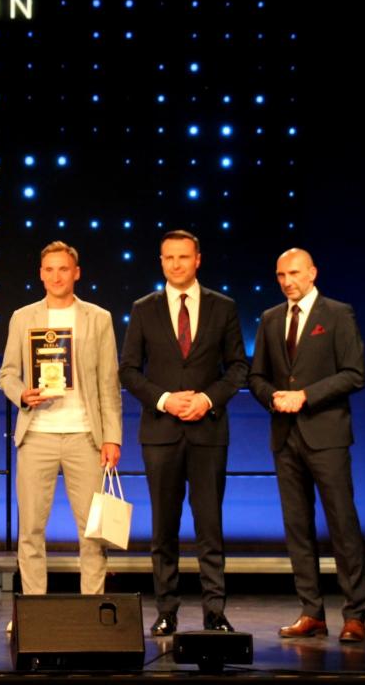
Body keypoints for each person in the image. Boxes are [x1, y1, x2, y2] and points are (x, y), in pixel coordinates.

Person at [119, 230, 247, 636]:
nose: (176, 264)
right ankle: (166, 610)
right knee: (164, 528)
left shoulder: (223, 307)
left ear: (198, 260)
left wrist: (207, 399)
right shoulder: (144, 309)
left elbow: (238, 368)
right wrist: (165, 400)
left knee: (210, 525)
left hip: (208, 431)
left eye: (183, 257)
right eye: (169, 258)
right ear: (161, 262)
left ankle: (215, 611)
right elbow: (128, 371)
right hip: (161, 432)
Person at [249, 248, 365, 643]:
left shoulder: (337, 314)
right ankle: (311, 611)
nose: (287, 281)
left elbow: (354, 374)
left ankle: (355, 614)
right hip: (286, 437)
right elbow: (256, 376)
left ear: (313, 273)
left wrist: (305, 396)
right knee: (297, 526)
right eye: (281, 275)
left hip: (326, 435)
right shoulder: (270, 319)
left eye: (295, 273)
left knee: (342, 524)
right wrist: (273, 397)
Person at [0, 241, 123, 601]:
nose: (56, 276)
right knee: (31, 530)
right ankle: (33, 610)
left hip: (86, 436)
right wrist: (23, 394)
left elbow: (108, 383)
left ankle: (93, 608)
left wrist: (112, 437)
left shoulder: (98, 318)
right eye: (49, 269)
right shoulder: (23, 317)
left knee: (93, 531)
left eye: (63, 269)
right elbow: (7, 374)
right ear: (41, 274)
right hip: (36, 434)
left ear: (76, 273)